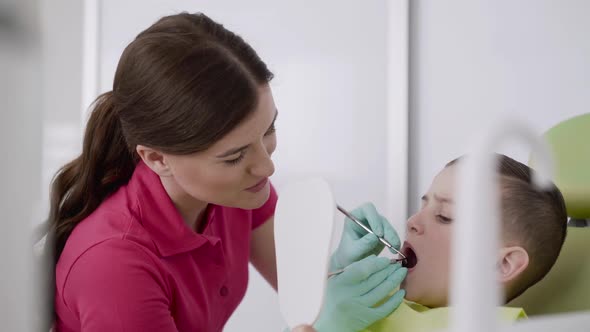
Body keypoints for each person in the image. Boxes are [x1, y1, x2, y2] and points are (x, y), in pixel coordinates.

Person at [47, 12, 406, 332]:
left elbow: (302, 293)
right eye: (234, 156)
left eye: (268, 131)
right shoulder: (114, 268)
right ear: (157, 158)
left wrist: (336, 270)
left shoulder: (236, 191)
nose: (267, 166)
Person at [363, 154, 568, 332]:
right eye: (423, 206)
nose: (412, 222)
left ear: (502, 264)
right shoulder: (367, 300)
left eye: (444, 216)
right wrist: (334, 272)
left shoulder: (495, 327)